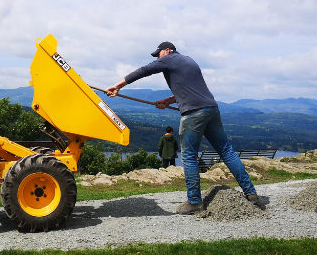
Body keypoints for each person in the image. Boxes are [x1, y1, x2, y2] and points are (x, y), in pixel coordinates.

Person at [106, 41, 260, 214]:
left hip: (194, 113)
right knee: (227, 151)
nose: (157, 58)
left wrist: (118, 85)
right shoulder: (189, 61)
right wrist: (168, 101)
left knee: (188, 156)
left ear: (168, 50)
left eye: (159, 54)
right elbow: (189, 88)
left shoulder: (170, 59)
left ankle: (194, 201)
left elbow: (144, 70)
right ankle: (251, 193)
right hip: (211, 109)